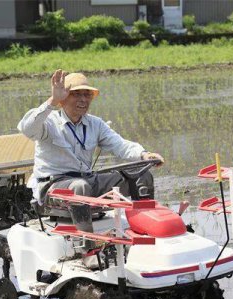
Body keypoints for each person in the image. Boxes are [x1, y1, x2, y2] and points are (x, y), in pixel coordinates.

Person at [17, 69, 164, 236]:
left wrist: (144, 155)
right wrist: (52, 100)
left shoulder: (95, 124)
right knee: (80, 186)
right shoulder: (49, 123)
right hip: (53, 187)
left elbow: (120, 145)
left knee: (141, 176)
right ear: (62, 98)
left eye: (87, 95)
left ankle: (146, 230)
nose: (83, 99)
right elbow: (27, 129)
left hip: (86, 180)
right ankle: (87, 243)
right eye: (76, 94)